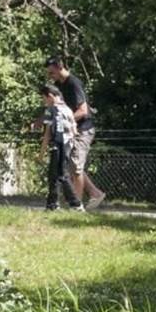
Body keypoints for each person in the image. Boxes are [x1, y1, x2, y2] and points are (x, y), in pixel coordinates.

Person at [45, 56, 106, 209]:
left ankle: (76, 205)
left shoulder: (74, 83)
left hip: (83, 129)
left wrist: (65, 119)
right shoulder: (58, 85)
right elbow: (55, 107)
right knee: (71, 165)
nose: (50, 76)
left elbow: (83, 111)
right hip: (72, 130)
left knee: (75, 166)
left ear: (60, 67)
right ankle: (94, 193)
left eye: (51, 73)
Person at [40, 84, 83, 211]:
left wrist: (41, 153)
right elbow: (75, 131)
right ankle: (52, 205)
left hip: (57, 145)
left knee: (60, 175)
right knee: (56, 174)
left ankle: (75, 204)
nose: (44, 102)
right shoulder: (68, 110)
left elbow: (47, 133)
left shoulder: (51, 110)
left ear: (51, 96)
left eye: (44, 98)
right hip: (67, 145)